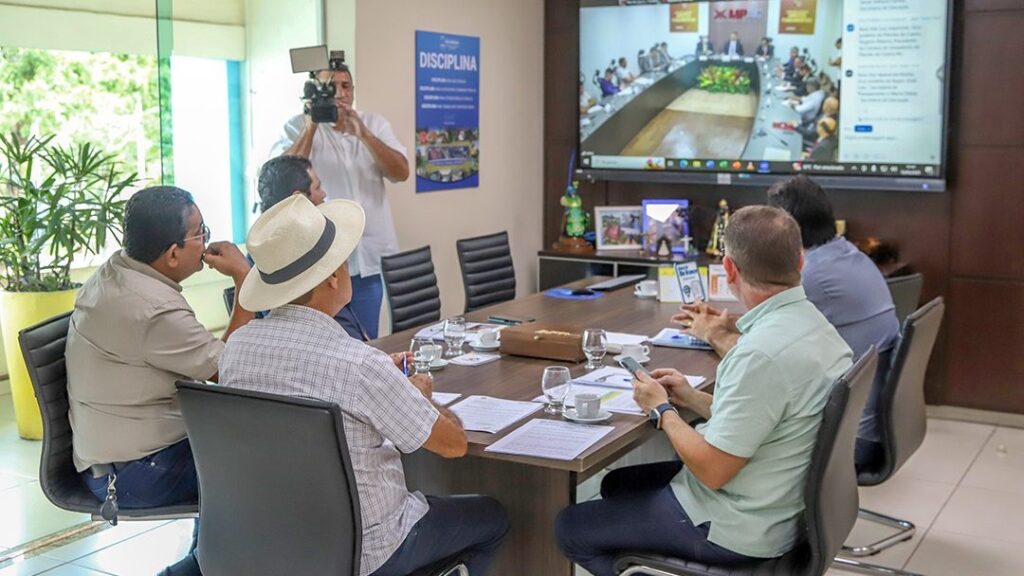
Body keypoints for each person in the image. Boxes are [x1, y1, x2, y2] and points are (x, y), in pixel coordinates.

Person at [219, 195, 509, 576]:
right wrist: (415, 394)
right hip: (367, 551)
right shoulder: (358, 364)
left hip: (272, 539)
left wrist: (386, 384)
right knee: (493, 518)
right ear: (333, 277)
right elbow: (453, 445)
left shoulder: (236, 348)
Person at [555, 206, 852, 576]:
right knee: (618, 483)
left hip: (738, 525)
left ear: (729, 269)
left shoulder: (760, 354)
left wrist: (662, 410)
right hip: (781, 502)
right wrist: (692, 399)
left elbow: (713, 470)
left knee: (571, 529)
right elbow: (772, 417)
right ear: (801, 261)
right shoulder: (815, 326)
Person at [67, 186, 256, 576]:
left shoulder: (116, 270)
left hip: (123, 453)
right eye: (201, 232)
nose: (207, 239)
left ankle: (210, 562)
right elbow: (229, 369)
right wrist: (244, 278)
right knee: (260, 466)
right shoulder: (152, 309)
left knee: (244, 446)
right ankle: (199, 568)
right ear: (172, 254)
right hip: (134, 473)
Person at [766, 176, 900, 472]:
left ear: (789, 229)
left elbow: (762, 346)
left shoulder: (813, 275)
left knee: (726, 424)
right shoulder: (847, 253)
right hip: (872, 426)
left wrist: (713, 330)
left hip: (852, 439)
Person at [272, 62, 409, 339]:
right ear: (314, 92)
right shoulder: (296, 127)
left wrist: (365, 135)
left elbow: (402, 172)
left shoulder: (374, 124)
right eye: (330, 87)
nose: (340, 93)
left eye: (346, 86)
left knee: (367, 339)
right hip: (323, 263)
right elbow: (281, 179)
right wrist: (312, 126)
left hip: (369, 259)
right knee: (328, 341)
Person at [254, 155, 372, 340]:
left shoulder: (263, 257)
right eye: (317, 187)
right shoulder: (306, 255)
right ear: (298, 198)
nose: (323, 194)